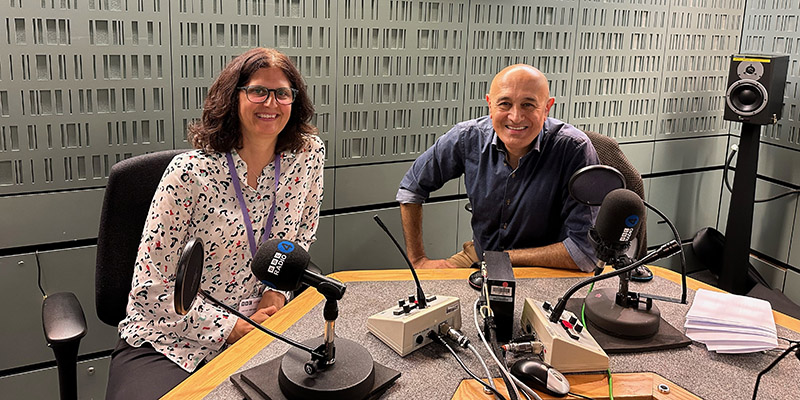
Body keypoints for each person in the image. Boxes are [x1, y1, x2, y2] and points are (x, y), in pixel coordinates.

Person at [106, 48, 324, 399]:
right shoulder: (189, 174)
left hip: (263, 327)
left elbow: (300, 235)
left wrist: (276, 292)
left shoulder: (306, 157)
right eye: (258, 91)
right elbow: (149, 289)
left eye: (282, 93)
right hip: (171, 339)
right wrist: (231, 327)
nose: (271, 103)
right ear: (232, 97)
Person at [397, 64, 599, 272]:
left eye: (528, 105)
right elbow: (411, 189)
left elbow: (583, 253)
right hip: (480, 256)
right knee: (430, 296)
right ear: (490, 105)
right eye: (504, 104)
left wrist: (503, 258)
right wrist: (418, 259)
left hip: (545, 266)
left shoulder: (575, 149)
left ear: (547, 108)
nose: (515, 117)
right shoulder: (467, 137)